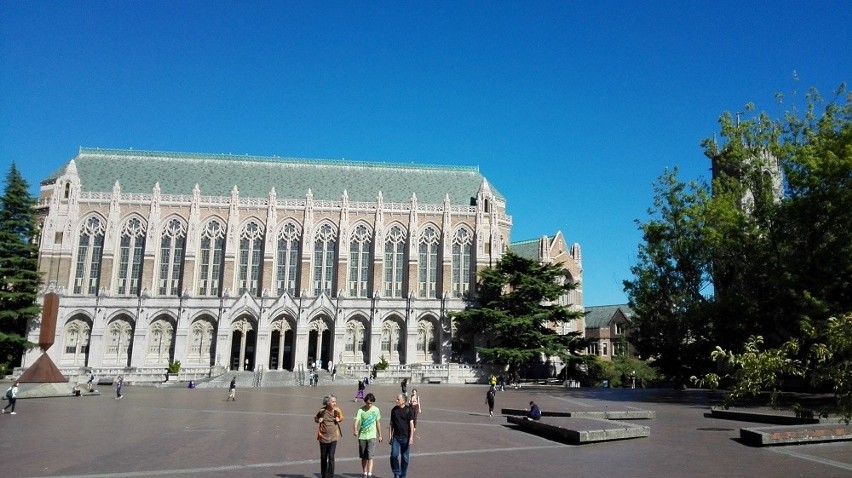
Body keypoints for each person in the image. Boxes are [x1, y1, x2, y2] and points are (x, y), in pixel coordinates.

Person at [353, 392, 382, 478]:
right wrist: (355, 429)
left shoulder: (376, 410)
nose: (369, 405)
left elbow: (378, 423)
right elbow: (356, 421)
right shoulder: (360, 410)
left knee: (370, 456)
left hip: (372, 436)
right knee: (363, 456)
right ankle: (365, 472)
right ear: (365, 402)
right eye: (368, 403)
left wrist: (380, 435)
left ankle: (369, 474)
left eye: (371, 403)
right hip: (362, 436)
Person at [315, 394, 344, 478]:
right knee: (323, 457)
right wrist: (318, 420)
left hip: (334, 437)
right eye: (333, 401)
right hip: (323, 437)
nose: (335, 403)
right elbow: (316, 418)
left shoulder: (337, 410)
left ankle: (330, 476)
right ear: (328, 402)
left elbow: (341, 417)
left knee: (331, 457)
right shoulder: (322, 411)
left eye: (335, 401)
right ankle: (324, 475)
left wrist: (339, 419)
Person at [388, 393, 415, 478]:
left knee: (405, 458)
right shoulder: (394, 410)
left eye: (398, 399)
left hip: (405, 438)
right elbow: (391, 424)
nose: (396, 400)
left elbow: (411, 424)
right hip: (396, 437)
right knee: (394, 455)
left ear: (403, 401)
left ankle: (403, 476)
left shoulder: (409, 410)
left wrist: (411, 437)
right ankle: (397, 473)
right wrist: (390, 436)